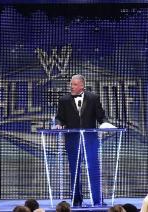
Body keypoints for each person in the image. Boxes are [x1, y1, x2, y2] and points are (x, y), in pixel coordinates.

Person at [53, 74, 106, 206]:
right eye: (71, 84)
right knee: (74, 170)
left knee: (93, 169)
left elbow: (101, 117)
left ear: (82, 85)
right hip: (72, 140)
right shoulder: (64, 100)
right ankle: (76, 200)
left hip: (90, 140)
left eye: (75, 84)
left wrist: (106, 124)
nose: (71, 86)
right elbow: (60, 117)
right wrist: (59, 123)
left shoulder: (93, 98)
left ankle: (97, 199)